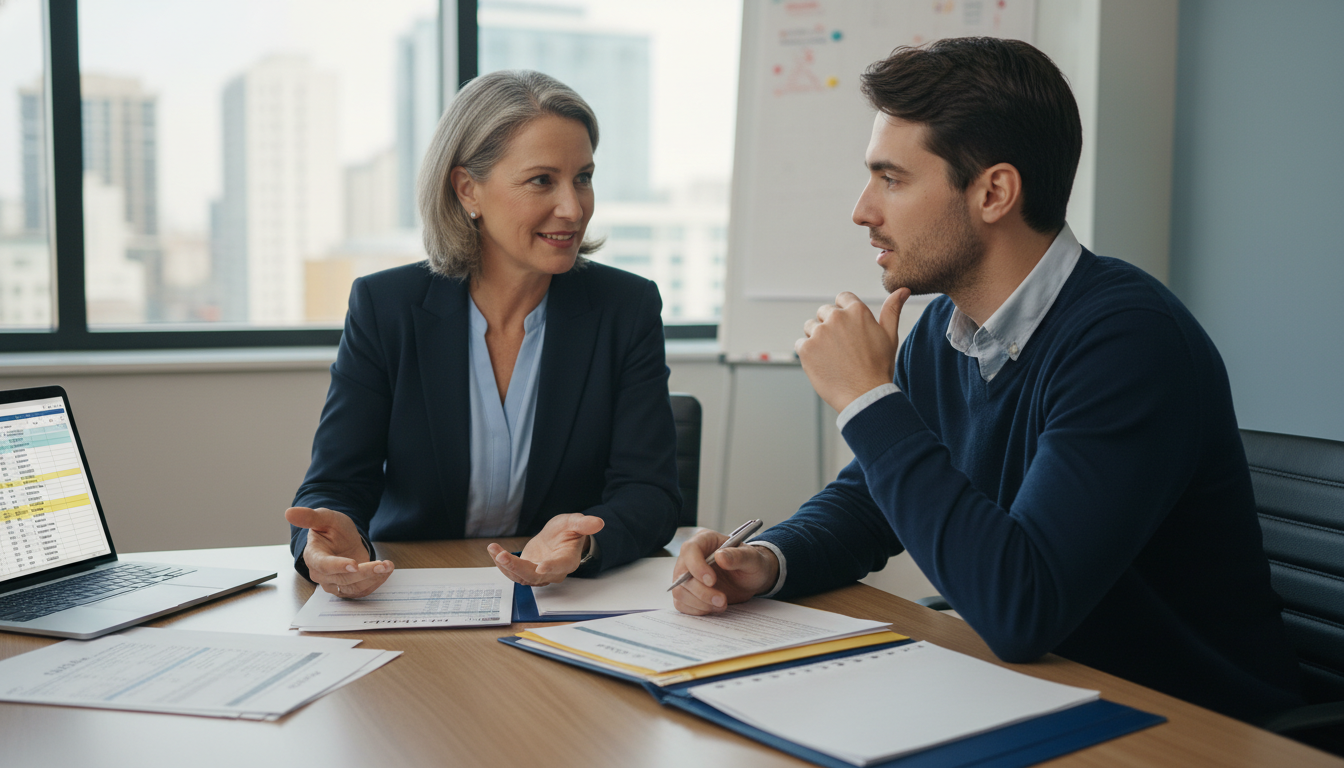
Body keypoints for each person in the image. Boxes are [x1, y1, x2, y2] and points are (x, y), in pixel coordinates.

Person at [671, 38, 1301, 721]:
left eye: (892, 179)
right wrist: (766, 560)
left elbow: (1022, 608)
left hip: (1188, 727)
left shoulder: (1129, 342)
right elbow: (870, 503)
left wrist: (866, 399)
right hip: (1049, 698)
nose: (863, 210)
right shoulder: (947, 331)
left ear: (994, 192)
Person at [287, 70, 681, 599]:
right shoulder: (386, 307)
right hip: (412, 590)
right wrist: (327, 545)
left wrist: (581, 544)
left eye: (583, 177)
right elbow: (336, 483)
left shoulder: (626, 308)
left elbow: (649, 494)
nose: (573, 207)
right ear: (468, 189)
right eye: (542, 180)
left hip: (562, 595)